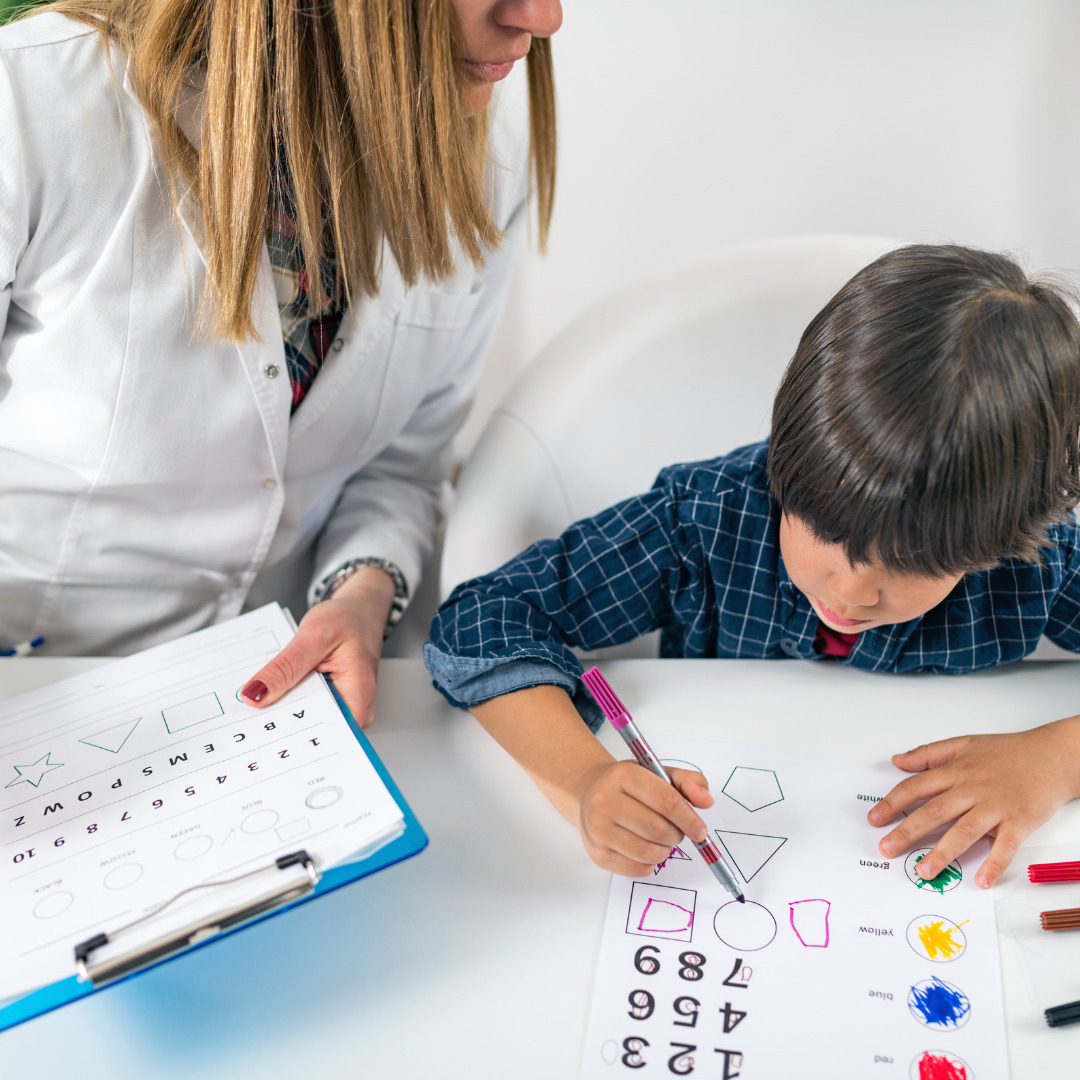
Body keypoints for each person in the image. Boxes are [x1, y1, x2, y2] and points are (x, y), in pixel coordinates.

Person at [425, 243, 1080, 891]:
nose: (851, 591)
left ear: (1002, 539)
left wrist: (1056, 760)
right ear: (790, 469)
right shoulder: (708, 522)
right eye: (823, 528)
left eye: (910, 563)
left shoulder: (1037, 559)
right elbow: (479, 622)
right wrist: (585, 779)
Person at [0, 0, 561, 724]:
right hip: (33, 683)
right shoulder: (32, 100)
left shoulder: (490, 148)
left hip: (279, 701)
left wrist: (360, 594)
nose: (543, 19)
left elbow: (401, 469)